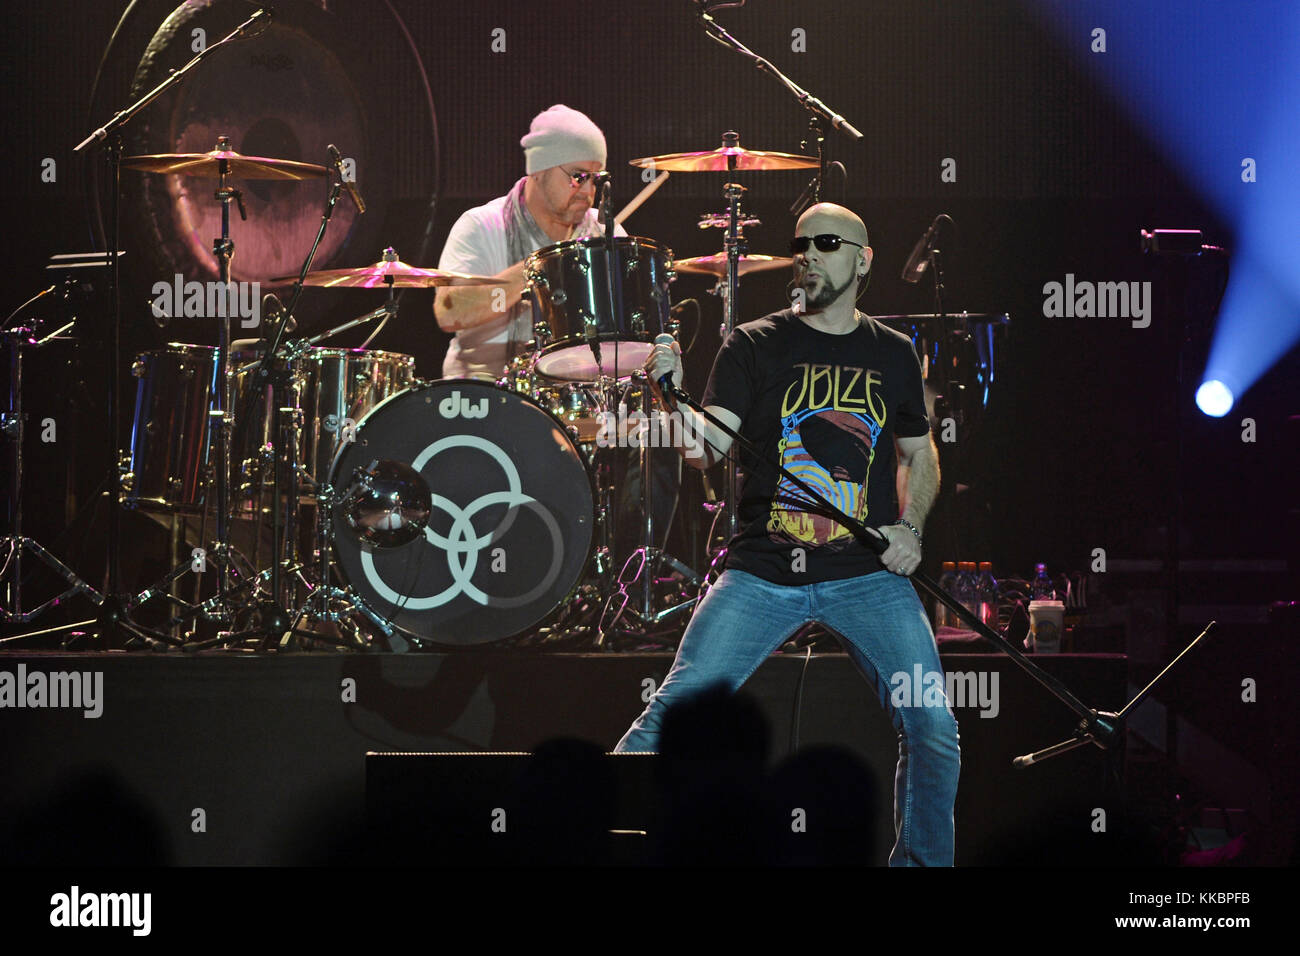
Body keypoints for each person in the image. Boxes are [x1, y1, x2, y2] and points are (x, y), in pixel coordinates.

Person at [615, 202, 961, 866]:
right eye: (799, 243)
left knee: (934, 726)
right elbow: (705, 450)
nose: (807, 253)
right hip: (763, 574)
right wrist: (671, 393)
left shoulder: (893, 352)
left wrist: (909, 527)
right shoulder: (753, 342)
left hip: (863, 575)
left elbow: (920, 454)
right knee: (669, 720)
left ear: (862, 260)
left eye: (826, 243)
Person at [434, 103, 622, 379]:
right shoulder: (481, 226)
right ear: (538, 170)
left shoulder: (605, 232)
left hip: (578, 399)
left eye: (595, 179)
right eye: (578, 177)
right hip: (482, 397)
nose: (587, 191)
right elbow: (450, 314)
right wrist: (542, 267)